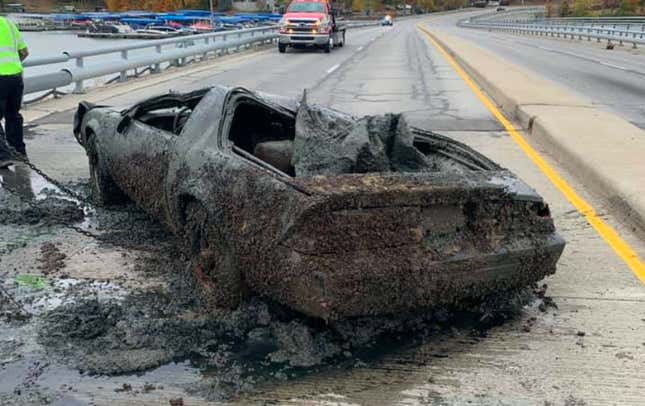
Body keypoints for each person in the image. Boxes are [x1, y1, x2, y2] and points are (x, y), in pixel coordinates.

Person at [0, 16, 29, 169]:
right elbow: (24, 52)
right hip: (15, 77)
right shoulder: (9, 24)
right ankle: (19, 152)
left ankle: (2, 156)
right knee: (13, 115)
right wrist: (12, 65)